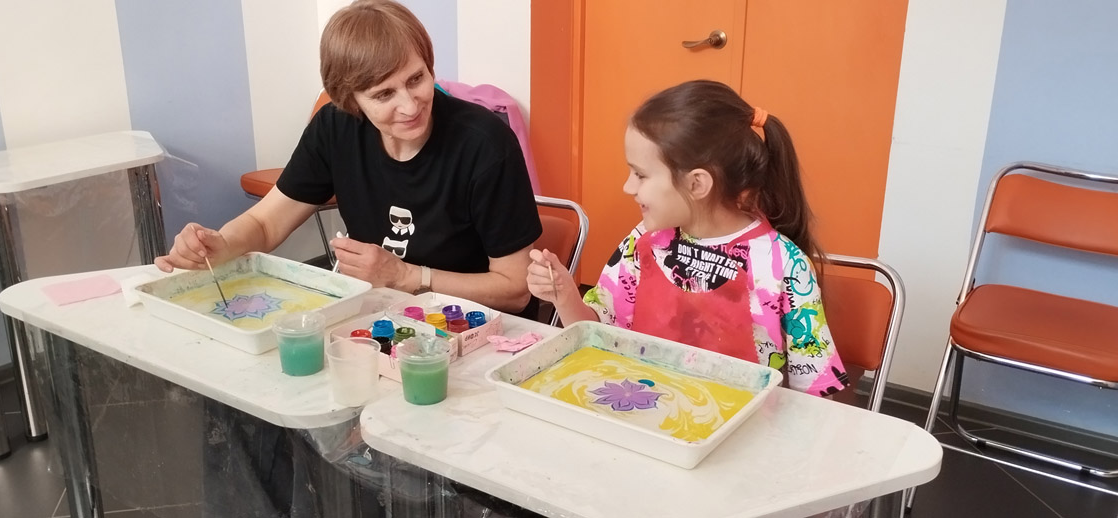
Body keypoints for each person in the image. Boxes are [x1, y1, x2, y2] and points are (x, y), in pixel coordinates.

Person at [156, 0, 541, 316]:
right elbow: (265, 223)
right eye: (384, 94)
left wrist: (407, 276)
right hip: (383, 315)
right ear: (349, 99)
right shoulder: (336, 127)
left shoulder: (484, 145)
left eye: (416, 79)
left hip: (476, 326)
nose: (410, 106)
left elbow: (515, 290)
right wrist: (220, 245)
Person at [528, 80, 849, 397]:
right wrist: (564, 296)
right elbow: (596, 334)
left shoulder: (784, 266)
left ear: (697, 184)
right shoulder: (642, 243)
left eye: (640, 174)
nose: (628, 187)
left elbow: (814, 395)